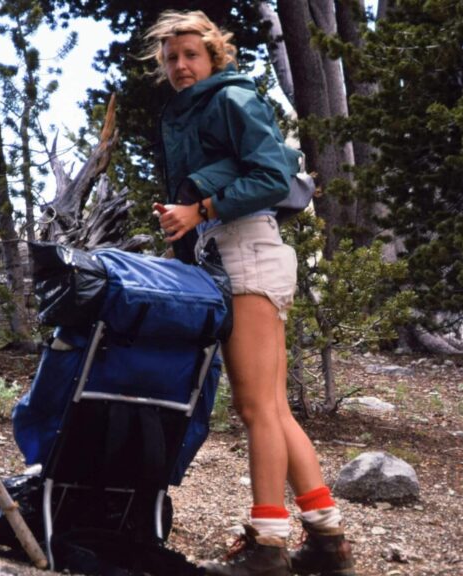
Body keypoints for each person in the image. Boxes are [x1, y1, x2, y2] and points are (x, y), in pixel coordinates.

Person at [143, 10, 355, 576]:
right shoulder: (190, 111)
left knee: (256, 407)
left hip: (246, 251)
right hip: (227, 249)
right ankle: (327, 540)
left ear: (214, 56)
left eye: (191, 55)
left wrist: (203, 208)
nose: (181, 66)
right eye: (172, 58)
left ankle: (267, 545)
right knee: (273, 408)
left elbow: (270, 175)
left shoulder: (231, 99)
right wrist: (186, 222)